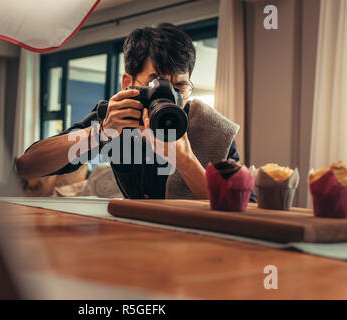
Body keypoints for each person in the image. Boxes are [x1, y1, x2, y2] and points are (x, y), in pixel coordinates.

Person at [16, 23, 257, 202]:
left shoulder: (212, 128)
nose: (170, 97)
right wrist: (99, 133)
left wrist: (185, 160)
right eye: (157, 85)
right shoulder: (118, 116)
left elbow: (242, 206)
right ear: (127, 82)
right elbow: (27, 167)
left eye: (179, 87)